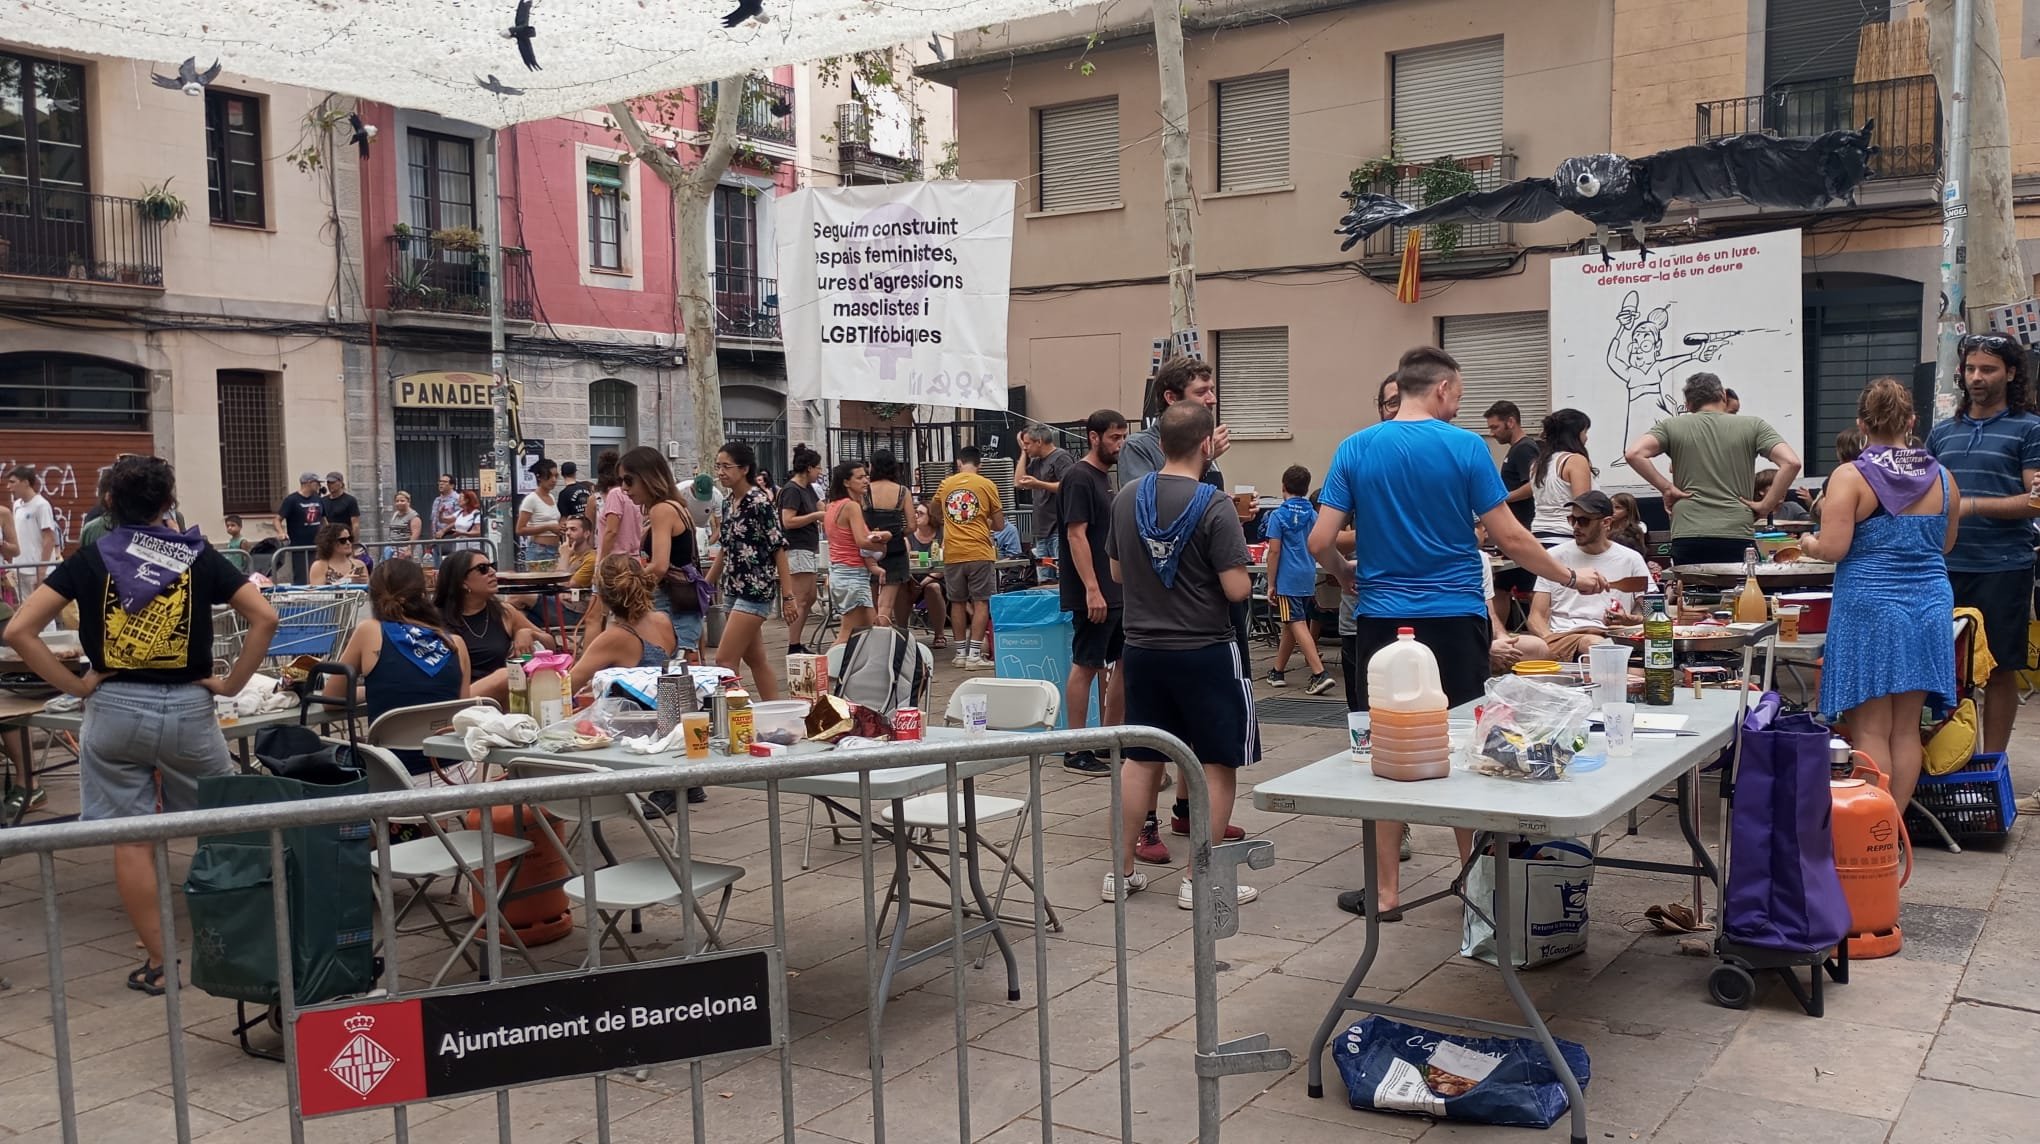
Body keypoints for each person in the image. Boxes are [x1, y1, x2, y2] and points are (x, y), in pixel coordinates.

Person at [1310, 346, 1608, 920]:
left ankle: (1388, 892)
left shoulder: (1355, 447)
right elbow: (1515, 541)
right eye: (1460, 394)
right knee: (1476, 748)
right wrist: (1572, 576)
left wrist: (1346, 576)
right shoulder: (1466, 448)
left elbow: (1321, 541)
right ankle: (1479, 889)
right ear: (1443, 388)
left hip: (1381, 621)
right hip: (1453, 616)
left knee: (1384, 748)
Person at [4, 455, 279, 997]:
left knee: (130, 839)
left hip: (114, 709)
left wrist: (77, 685)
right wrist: (228, 684)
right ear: (167, 503)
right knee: (222, 824)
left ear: (108, 504)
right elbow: (265, 617)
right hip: (188, 708)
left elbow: (19, 631)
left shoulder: (89, 559)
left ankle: (159, 963)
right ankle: (237, 941)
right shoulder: (198, 558)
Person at [1104, 402, 1260, 908]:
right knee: (1217, 763)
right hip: (1205, 649)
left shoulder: (1127, 496)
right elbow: (1236, 588)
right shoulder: (1214, 505)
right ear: (1205, 445)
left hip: (1143, 648)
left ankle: (1120, 872)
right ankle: (1200, 879)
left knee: (1142, 759)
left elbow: (1120, 574)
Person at [1802, 378, 1958, 813]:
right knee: (1907, 728)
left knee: (1871, 729)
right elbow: (1945, 546)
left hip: (1869, 605)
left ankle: (1872, 831)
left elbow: (1833, 548)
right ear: (1911, 422)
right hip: (1928, 604)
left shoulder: (1850, 475)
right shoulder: (1943, 477)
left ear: (1862, 424)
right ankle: (1893, 833)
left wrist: (1810, 545)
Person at [1924, 333, 2040, 757]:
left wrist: (1970, 505)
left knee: (1999, 669)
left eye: (1987, 369)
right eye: (1970, 368)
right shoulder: (1942, 433)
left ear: (2011, 373)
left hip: (2003, 566)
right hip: (1942, 567)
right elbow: (1926, 494)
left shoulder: (2030, 429)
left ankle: (1992, 761)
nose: (1976, 377)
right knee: (1944, 669)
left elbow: (2035, 500)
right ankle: (1949, 759)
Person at [1623, 372, 1803, 566]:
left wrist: (1666, 487)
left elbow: (1634, 453)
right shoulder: (1753, 425)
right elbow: (1791, 463)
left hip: (1688, 530)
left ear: (1689, 405)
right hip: (1736, 529)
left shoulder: (1671, 426)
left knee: (1691, 592)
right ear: (1723, 396)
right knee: (1736, 593)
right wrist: (1766, 505)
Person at [328, 558, 471, 776]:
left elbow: (332, 698)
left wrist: (378, 690)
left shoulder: (369, 631)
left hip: (393, 780)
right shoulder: (455, 644)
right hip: (457, 775)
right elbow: (461, 716)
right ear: (423, 594)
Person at [1060, 410, 1129, 777]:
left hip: (1115, 590)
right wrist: (1091, 589)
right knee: (1087, 663)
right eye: (1114, 437)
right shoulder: (1079, 477)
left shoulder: (1104, 479)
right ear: (1093, 437)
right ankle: (1075, 747)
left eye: (1123, 438)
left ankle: (1108, 736)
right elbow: (1076, 534)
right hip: (1095, 592)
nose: (1120, 444)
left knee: (1123, 661)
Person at [708, 441, 795, 700]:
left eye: (726, 466)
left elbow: (778, 547)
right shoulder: (727, 502)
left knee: (725, 660)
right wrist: (706, 584)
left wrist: (788, 596)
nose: (721, 472)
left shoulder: (759, 502)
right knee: (756, 659)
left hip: (755, 589)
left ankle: (735, 719)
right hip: (732, 588)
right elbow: (725, 547)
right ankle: (776, 713)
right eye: (718, 466)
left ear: (744, 468)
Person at [1524, 491, 1654, 662]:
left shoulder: (1630, 558)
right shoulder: (1554, 557)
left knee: (1612, 654)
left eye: (1584, 521)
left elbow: (1653, 611)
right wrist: (1550, 640)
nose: (1576, 526)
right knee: (1595, 645)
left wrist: (1630, 620)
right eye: (1572, 520)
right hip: (1565, 636)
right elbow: (1536, 616)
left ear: (1606, 522)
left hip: (1615, 636)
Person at [619, 447, 705, 659]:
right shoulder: (676, 506)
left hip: (670, 599)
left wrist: (626, 589)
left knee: (674, 666)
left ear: (648, 477)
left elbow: (659, 566)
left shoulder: (661, 510)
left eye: (629, 481)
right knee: (683, 663)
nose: (624, 488)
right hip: (683, 598)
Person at [434, 549, 548, 705]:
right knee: (506, 676)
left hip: (500, 698)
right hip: (454, 699)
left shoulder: (505, 612)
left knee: (513, 674)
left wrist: (529, 633)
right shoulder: (434, 619)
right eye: (483, 569)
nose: (493, 572)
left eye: (492, 566)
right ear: (462, 581)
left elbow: (550, 645)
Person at [1264, 464, 1333, 694]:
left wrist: (1271, 583)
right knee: (1291, 624)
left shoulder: (1278, 515)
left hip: (1287, 578)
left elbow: (1274, 551)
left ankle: (1318, 672)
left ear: (1283, 486)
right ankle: (1277, 670)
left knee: (1296, 623)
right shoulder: (1313, 514)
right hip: (1307, 575)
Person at [935, 446, 1004, 670]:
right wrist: (984, 522)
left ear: (958, 462)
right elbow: (1000, 524)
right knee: (981, 601)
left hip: (953, 551)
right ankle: (975, 655)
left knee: (957, 601)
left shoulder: (946, 484)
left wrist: (950, 521)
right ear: (980, 464)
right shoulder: (987, 484)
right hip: (979, 551)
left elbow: (934, 510)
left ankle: (959, 654)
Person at [569, 555, 680, 693]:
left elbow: (568, 686)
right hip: (667, 706)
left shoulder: (615, 638)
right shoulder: (664, 620)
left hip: (632, 712)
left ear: (602, 596)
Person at [823, 460, 888, 649]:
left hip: (842, 572)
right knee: (849, 633)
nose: (866, 480)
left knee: (869, 628)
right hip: (852, 574)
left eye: (866, 476)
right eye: (859, 477)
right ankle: (825, 672)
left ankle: (855, 670)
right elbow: (862, 540)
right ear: (846, 482)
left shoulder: (832, 506)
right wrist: (884, 542)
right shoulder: (851, 507)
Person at [1510, 408, 1597, 547]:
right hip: (1567, 536)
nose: (1586, 438)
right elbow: (1583, 505)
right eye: (1585, 432)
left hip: (1539, 536)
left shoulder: (1537, 464)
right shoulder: (1575, 460)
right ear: (1575, 434)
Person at [1475, 519, 1551, 674]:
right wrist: (1487, 647)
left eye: (1483, 525)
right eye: (1476, 526)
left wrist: (1503, 638)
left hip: (1481, 637)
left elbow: (1491, 613)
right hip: (1457, 639)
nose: (1484, 530)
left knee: (1538, 648)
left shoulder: (1482, 559)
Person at [778, 445, 826, 654]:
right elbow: (787, 521)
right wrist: (815, 517)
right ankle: (793, 644)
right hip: (796, 548)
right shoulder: (792, 490)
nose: (820, 472)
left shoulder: (808, 489)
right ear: (808, 468)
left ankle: (796, 642)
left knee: (811, 595)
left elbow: (821, 506)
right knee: (801, 597)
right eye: (817, 468)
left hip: (808, 547)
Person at [1016, 425, 1076, 583]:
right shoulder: (1036, 462)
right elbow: (1018, 482)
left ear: (1039, 441)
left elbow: (1068, 486)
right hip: (1042, 532)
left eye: (1028, 444)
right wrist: (1023, 452)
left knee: (1063, 578)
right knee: (1044, 581)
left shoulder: (1061, 457)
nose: (1025, 447)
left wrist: (1039, 484)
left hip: (1058, 528)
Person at [864, 450, 914, 629]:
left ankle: (872, 637)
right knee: (886, 605)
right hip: (895, 549)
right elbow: (912, 525)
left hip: (868, 548)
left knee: (871, 603)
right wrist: (897, 533)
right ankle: (884, 641)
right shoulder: (902, 491)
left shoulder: (865, 490)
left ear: (873, 466)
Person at [1485, 401, 1540, 530]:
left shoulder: (1525, 448)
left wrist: (1502, 498)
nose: (1491, 433)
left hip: (1524, 524)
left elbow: (1534, 484)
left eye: (1495, 427)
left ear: (1510, 422)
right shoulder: (1517, 448)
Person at [903, 501, 947, 646]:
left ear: (931, 517)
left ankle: (939, 634)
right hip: (912, 580)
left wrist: (922, 583)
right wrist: (914, 583)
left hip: (937, 581)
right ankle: (902, 633)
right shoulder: (908, 538)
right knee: (899, 588)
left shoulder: (942, 535)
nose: (916, 516)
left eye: (920, 513)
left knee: (932, 588)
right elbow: (906, 565)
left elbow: (941, 566)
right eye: (915, 513)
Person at [276, 471, 326, 583]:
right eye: (317, 482)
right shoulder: (292, 500)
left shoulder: (318, 499)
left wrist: (328, 534)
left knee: (319, 574)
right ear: (308, 483)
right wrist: (281, 532)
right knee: (302, 576)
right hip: (299, 546)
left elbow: (323, 519)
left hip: (318, 545)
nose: (319, 485)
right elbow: (277, 519)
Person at [516, 458, 563, 569]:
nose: (553, 480)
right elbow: (520, 530)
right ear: (539, 477)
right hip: (539, 550)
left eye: (556, 476)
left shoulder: (551, 497)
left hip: (555, 549)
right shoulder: (531, 499)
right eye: (549, 476)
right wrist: (548, 527)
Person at [306, 521, 368, 585]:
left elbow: (369, 590)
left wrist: (365, 583)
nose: (348, 543)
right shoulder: (319, 566)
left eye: (350, 539)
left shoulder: (359, 564)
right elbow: (318, 592)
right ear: (330, 543)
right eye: (342, 540)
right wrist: (345, 581)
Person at [1608, 492, 1649, 560]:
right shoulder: (1604, 527)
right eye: (1610, 507)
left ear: (1628, 510)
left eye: (1618, 507)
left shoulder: (1635, 529)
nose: (1612, 511)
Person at [386, 492, 421, 561]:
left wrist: (409, 549)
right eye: (397, 501)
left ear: (408, 502)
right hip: (392, 549)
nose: (399, 503)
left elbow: (415, 535)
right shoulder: (395, 514)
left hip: (404, 549)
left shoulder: (413, 516)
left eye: (402, 501)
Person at [430, 473, 461, 550]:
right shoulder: (437, 500)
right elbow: (433, 519)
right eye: (440, 481)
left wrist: (444, 531)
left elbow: (459, 518)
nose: (441, 484)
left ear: (452, 485)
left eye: (444, 482)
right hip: (437, 537)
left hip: (450, 535)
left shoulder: (457, 499)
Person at [556, 460, 591, 525]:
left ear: (562, 474)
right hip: (587, 525)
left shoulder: (563, 494)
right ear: (575, 473)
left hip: (574, 527)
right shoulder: (585, 488)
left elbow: (564, 517)